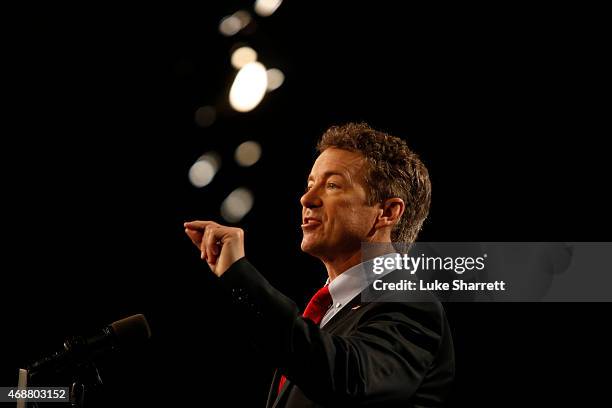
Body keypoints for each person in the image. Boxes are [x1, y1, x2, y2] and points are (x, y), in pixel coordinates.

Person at [184, 123, 454, 407]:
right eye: (310, 184)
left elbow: (349, 378)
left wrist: (241, 277)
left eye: (332, 185)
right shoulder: (328, 315)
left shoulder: (411, 303)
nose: (307, 199)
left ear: (387, 212)